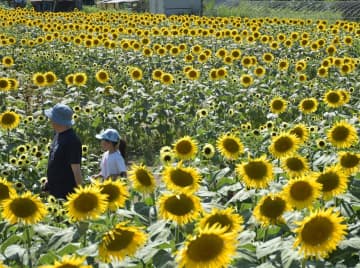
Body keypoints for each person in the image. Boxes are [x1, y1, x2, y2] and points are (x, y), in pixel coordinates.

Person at [44, 103, 82, 199]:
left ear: (58, 121)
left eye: (52, 118)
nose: (50, 121)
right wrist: (49, 180)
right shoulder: (58, 135)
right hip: (55, 190)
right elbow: (55, 160)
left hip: (66, 194)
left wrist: (81, 193)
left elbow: (76, 169)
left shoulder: (72, 141)